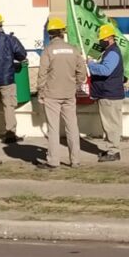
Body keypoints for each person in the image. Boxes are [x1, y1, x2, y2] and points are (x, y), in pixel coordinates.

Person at [36, 16, 86, 169]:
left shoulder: (48, 51)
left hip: (51, 94)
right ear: (62, 33)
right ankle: (75, 160)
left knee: (53, 128)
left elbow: (42, 74)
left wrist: (40, 91)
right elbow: (82, 71)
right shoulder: (73, 50)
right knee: (72, 127)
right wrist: (76, 83)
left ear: (50, 34)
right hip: (69, 94)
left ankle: (53, 161)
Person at [0, 12, 28, 145]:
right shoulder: (11, 40)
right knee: (9, 107)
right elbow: (21, 55)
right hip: (8, 79)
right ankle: (10, 134)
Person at [87, 23, 125, 162]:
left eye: (102, 39)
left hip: (110, 94)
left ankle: (113, 151)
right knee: (109, 124)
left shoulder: (113, 53)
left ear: (109, 38)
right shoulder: (108, 50)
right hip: (108, 93)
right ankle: (111, 149)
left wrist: (91, 65)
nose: (100, 42)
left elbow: (105, 70)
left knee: (111, 124)